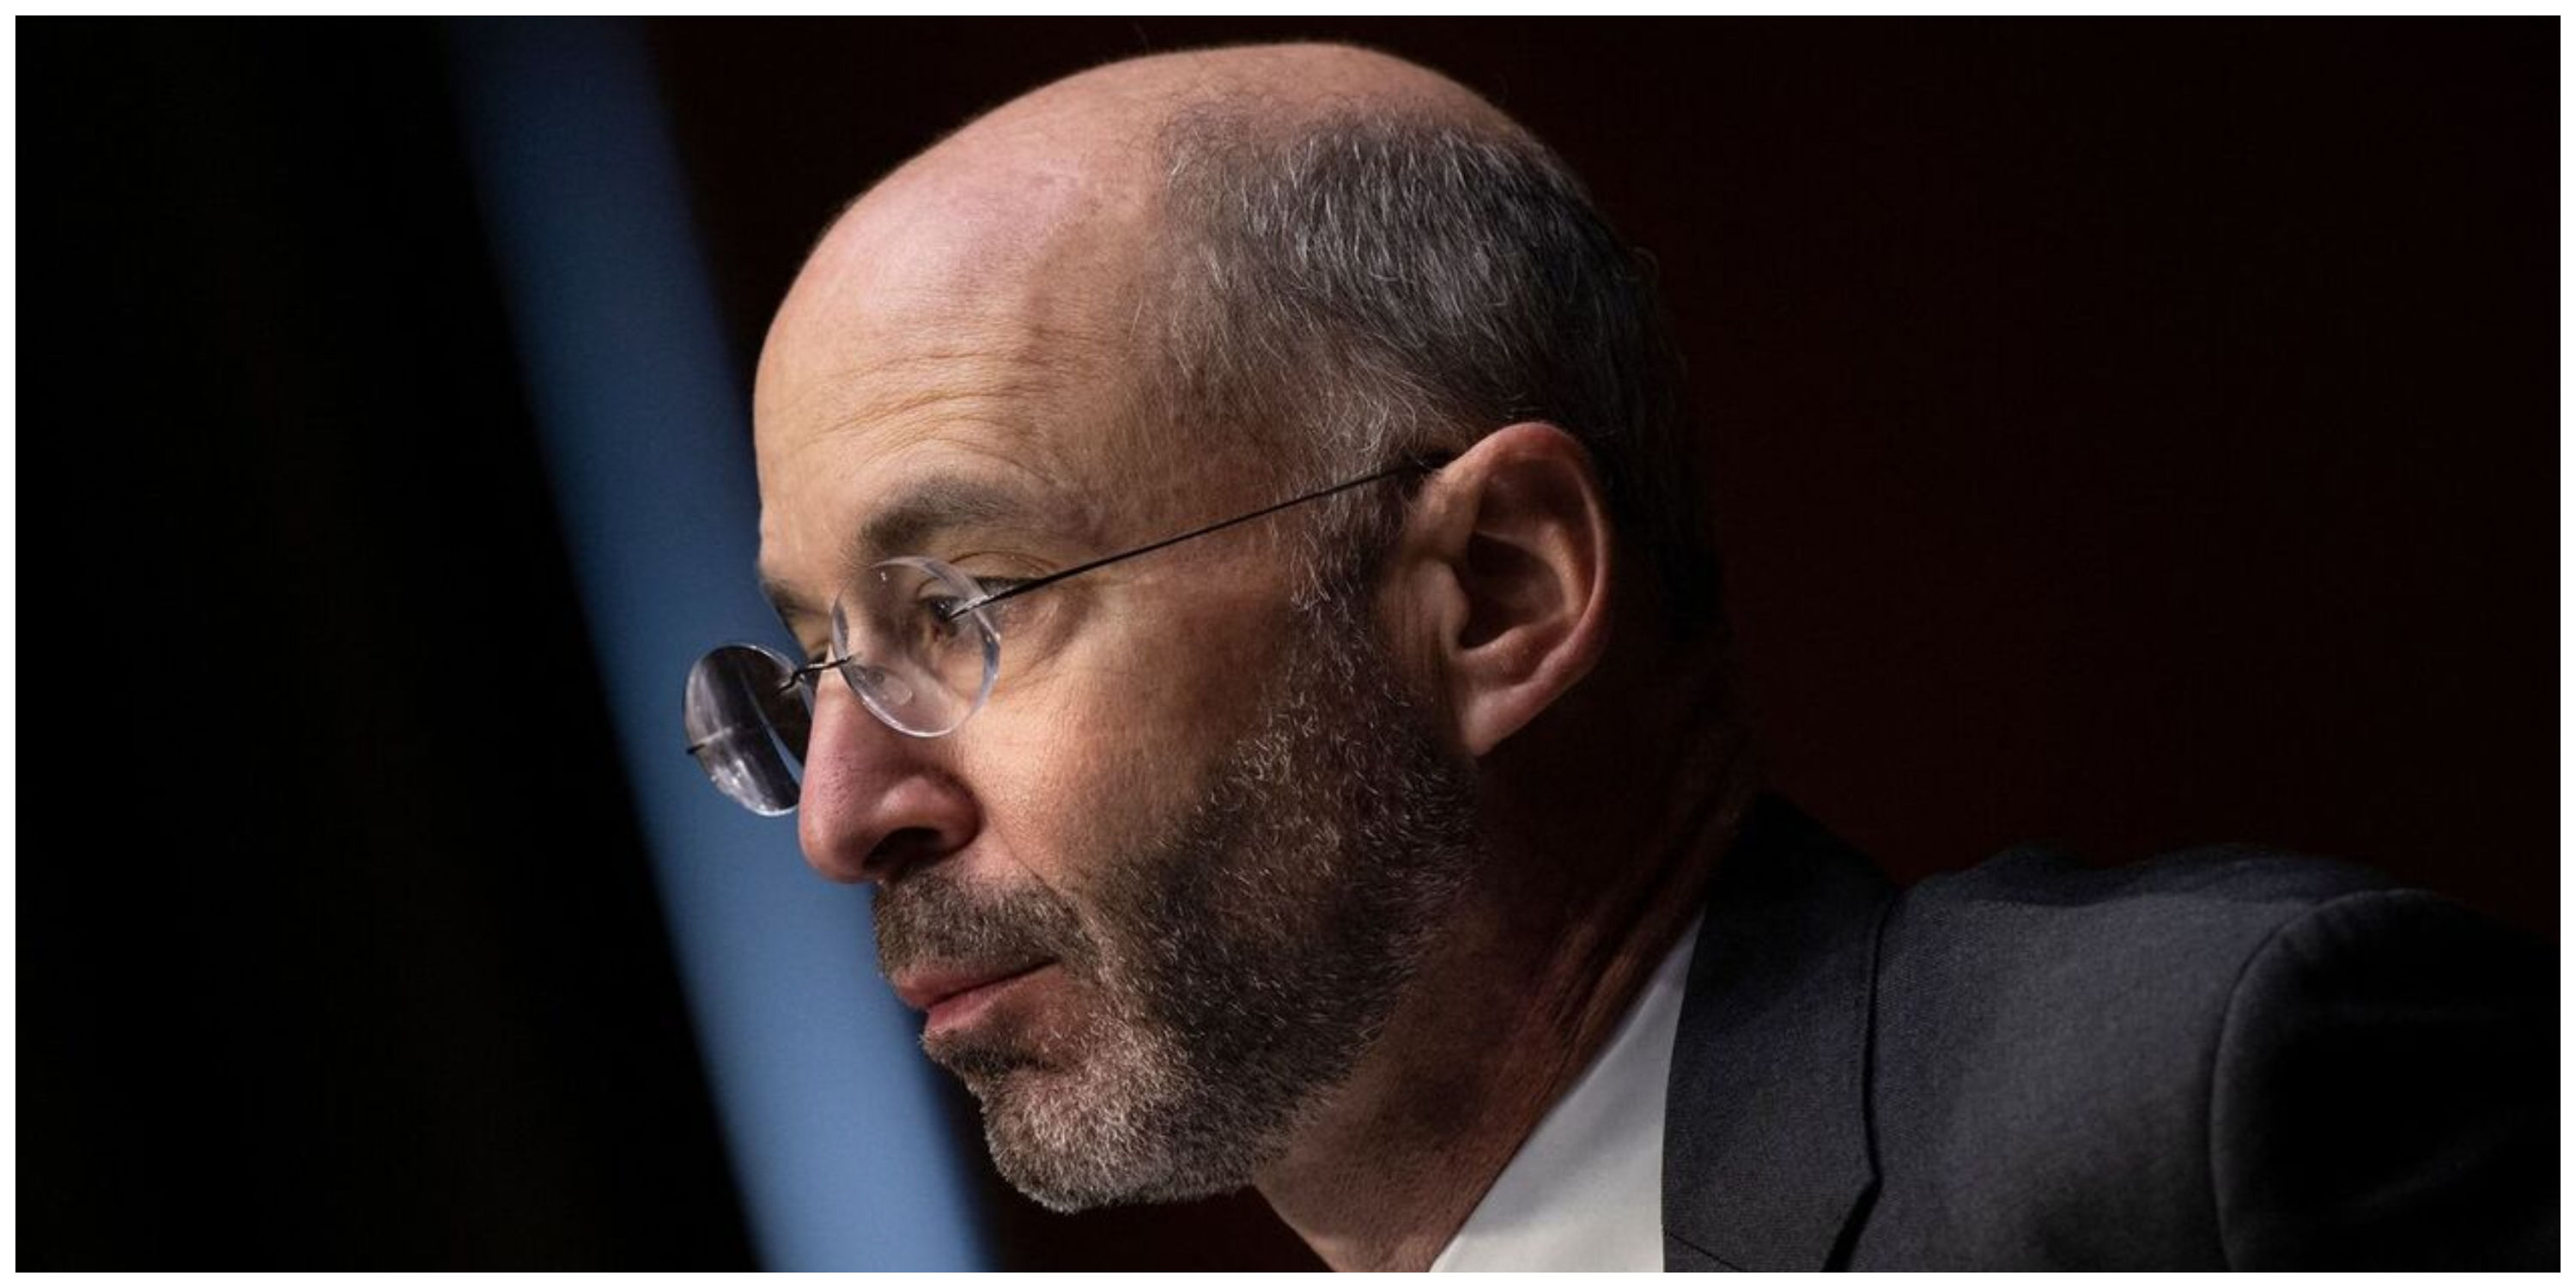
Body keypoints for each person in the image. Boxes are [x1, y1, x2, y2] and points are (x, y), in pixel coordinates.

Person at [683, 43, 2555, 1270]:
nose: (841, 815)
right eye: (816, 658)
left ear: (1497, 593)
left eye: (967, 608)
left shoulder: (2214, 1119)